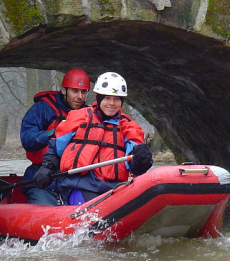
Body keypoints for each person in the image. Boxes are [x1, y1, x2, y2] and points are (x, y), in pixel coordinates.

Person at [34, 72, 153, 205]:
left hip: (115, 189)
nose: (112, 103)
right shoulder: (79, 117)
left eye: (117, 99)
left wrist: (142, 160)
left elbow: (135, 165)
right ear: (99, 98)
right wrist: (47, 167)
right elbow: (57, 148)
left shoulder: (128, 126)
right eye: (107, 98)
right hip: (80, 185)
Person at [20, 68, 91, 205]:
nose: (79, 97)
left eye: (83, 92)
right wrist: (57, 131)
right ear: (64, 90)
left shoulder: (88, 114)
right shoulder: (42, 108)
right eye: (75, 91)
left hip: (74, 180)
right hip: (43, 176)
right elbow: (28, 139)